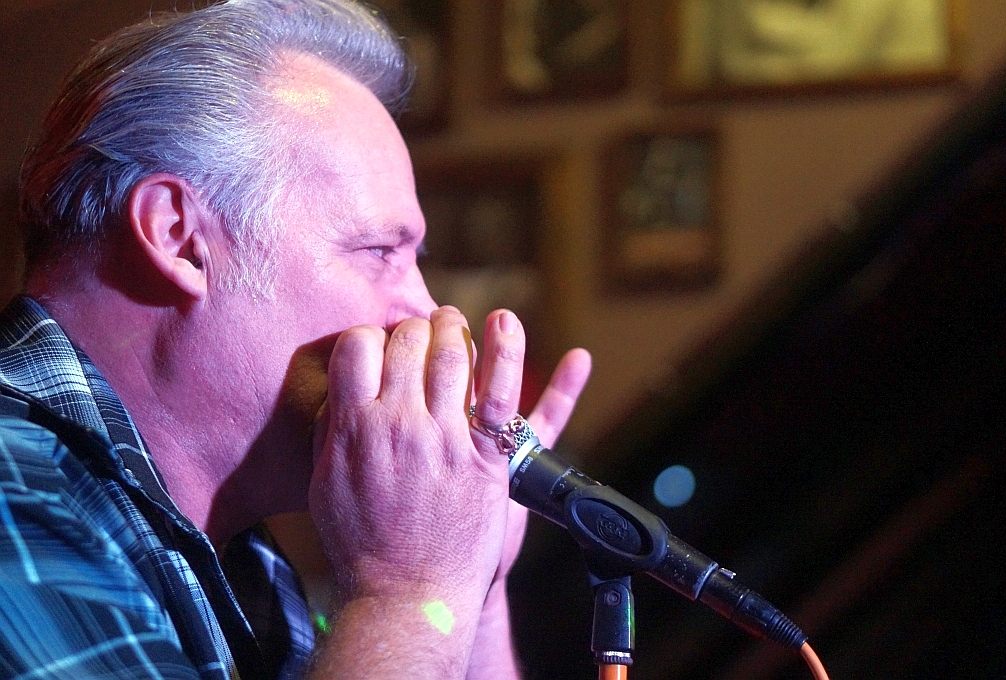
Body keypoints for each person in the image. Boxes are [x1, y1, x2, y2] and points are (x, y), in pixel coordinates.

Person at [0, 0, 591, 678]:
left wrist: (473, 592)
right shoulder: (17, 490)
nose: (425, 310)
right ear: (179, 237)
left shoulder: (234, 551)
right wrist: (408, 590)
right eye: (379, 251)